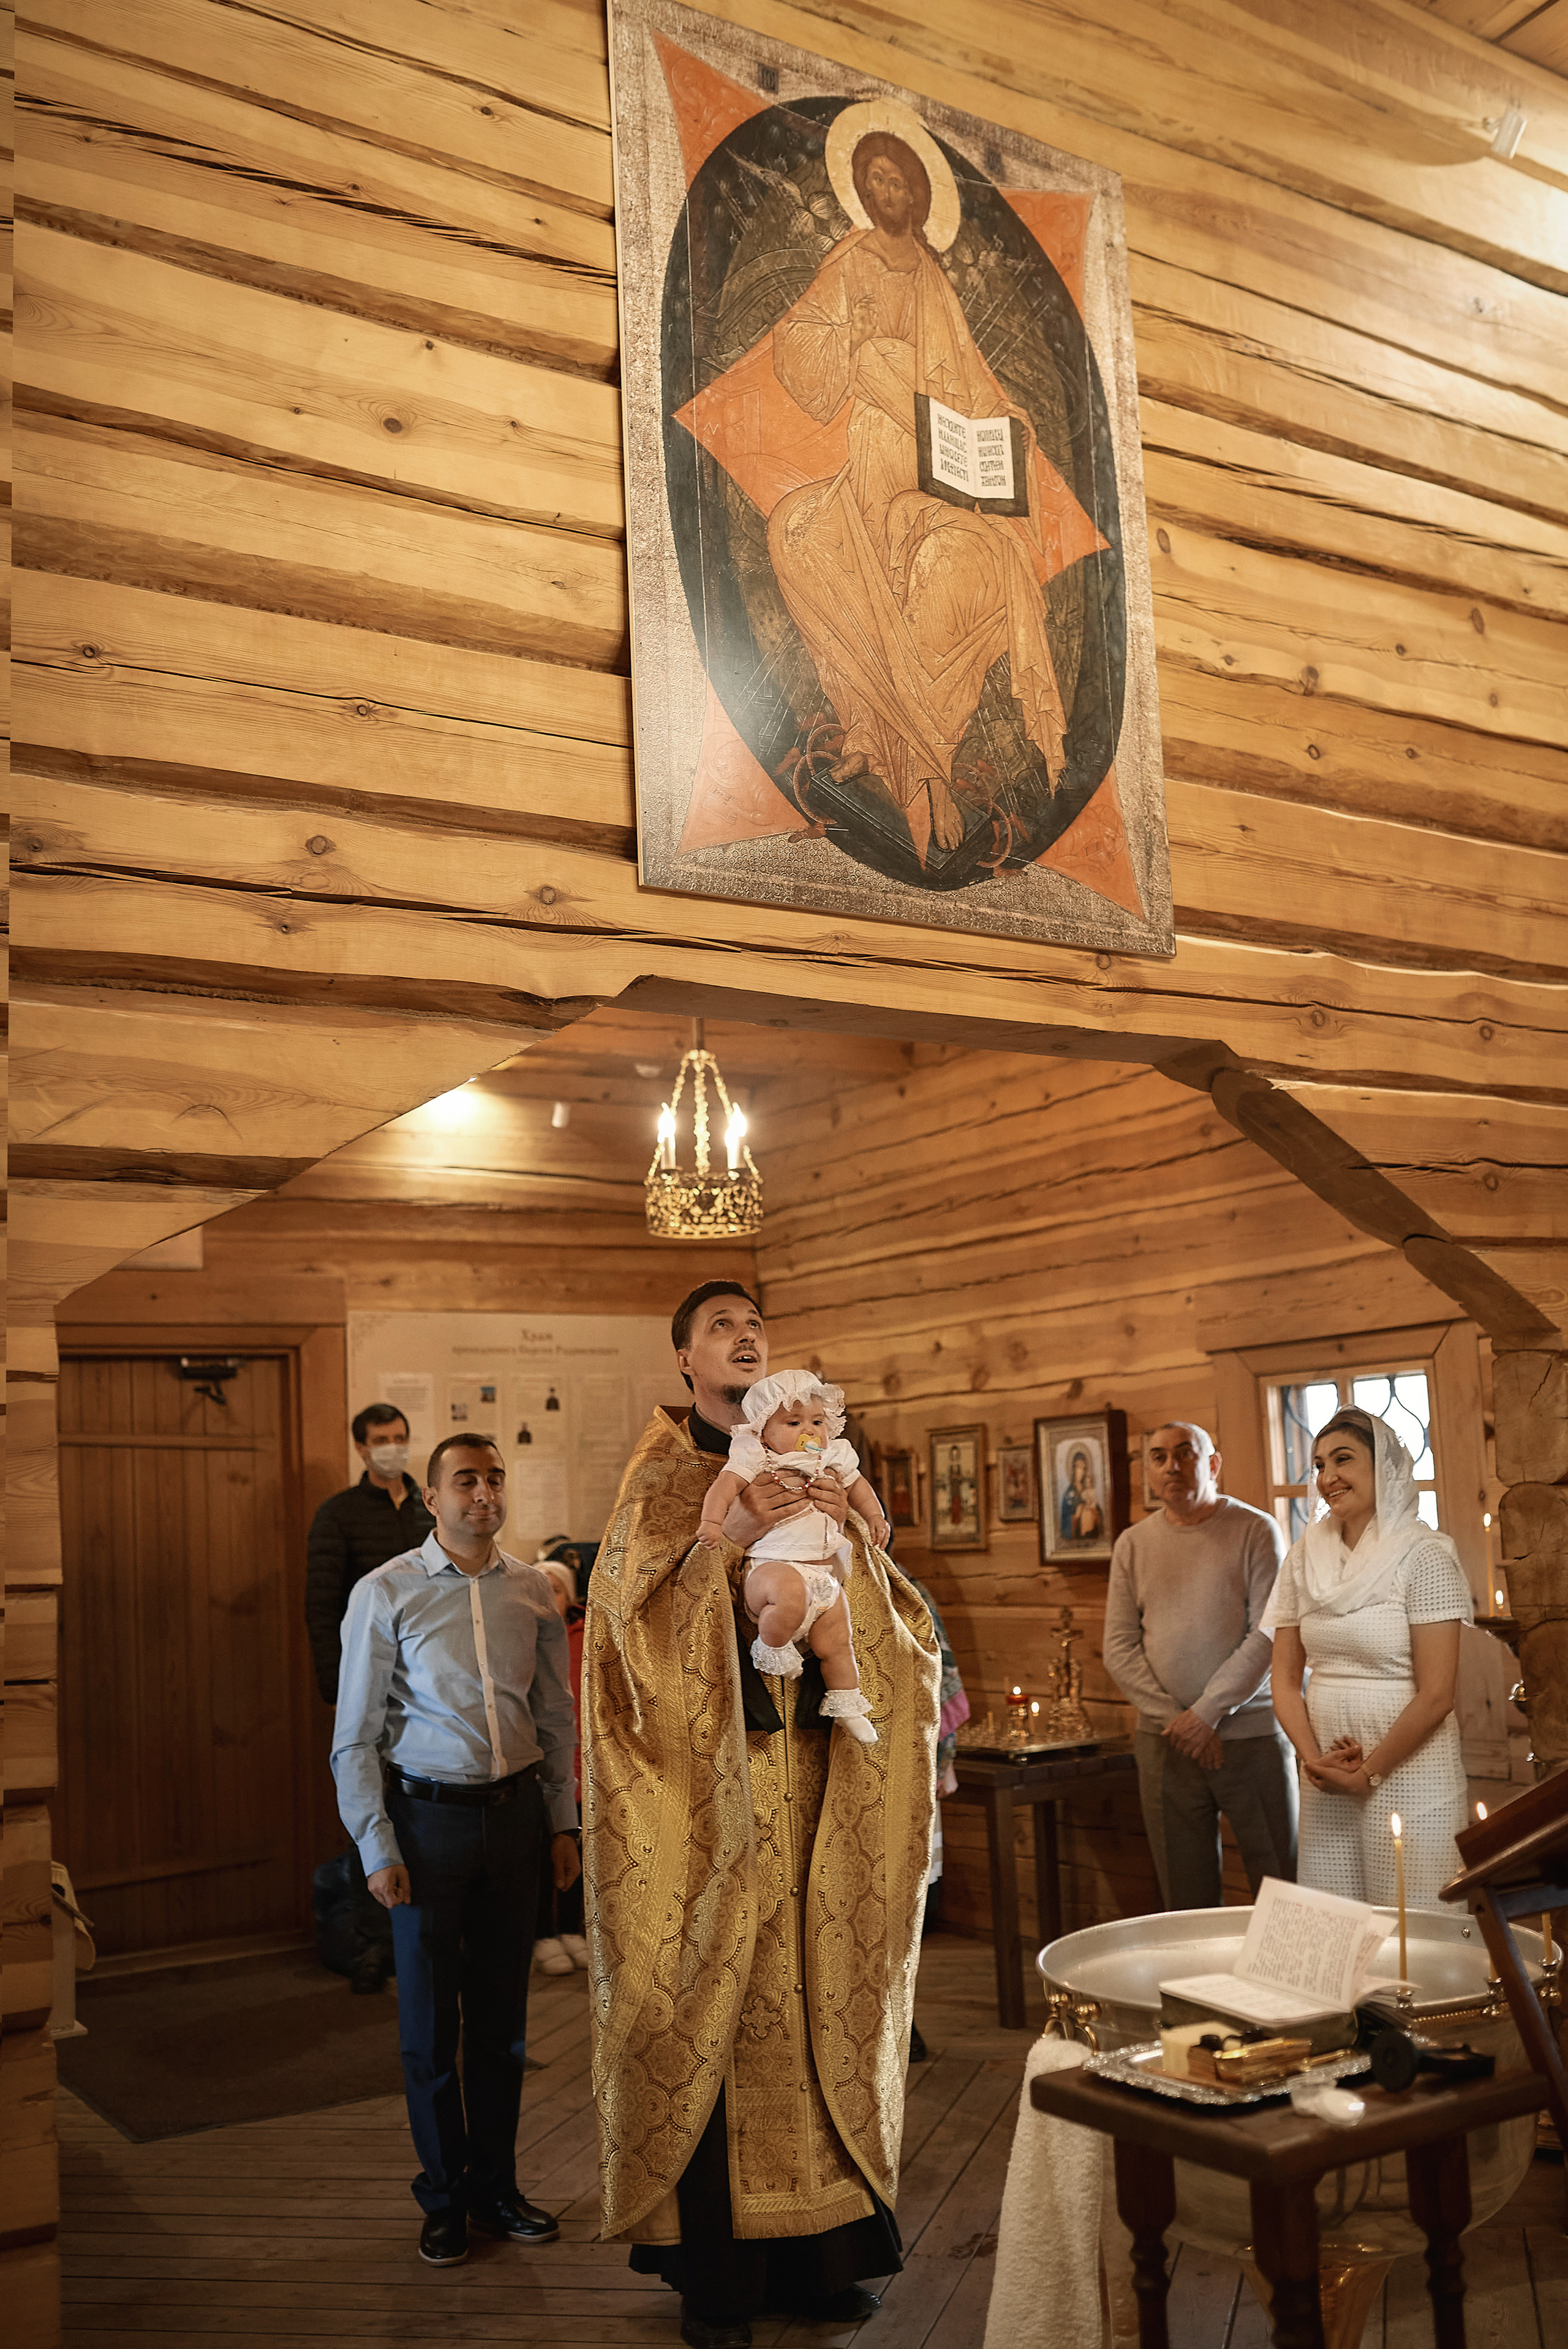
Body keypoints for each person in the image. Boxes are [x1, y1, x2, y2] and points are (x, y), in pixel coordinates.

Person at [582, 1281, 940, 2349]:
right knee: (723, 2014)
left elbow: (894, 1618)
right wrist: (717, 1546)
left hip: (818, 1791)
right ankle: (722, 2280)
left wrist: (852, 1546)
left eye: (757, 1326)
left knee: (824, 1999)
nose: (745, 1336)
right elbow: (622, 1640)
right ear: (685, 1359)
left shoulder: (819, 1459)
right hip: (711, 1802)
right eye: (721, 1326)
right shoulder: (660, 1479)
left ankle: (828, 2256)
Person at [769, 132, 1068, 866]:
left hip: (939, 462)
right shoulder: (851, 261)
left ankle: (926, 765)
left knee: (940, 572)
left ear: (921, 197)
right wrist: (851, 346)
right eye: (877, 183)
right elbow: (798, 340)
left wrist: (1010, 428)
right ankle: (875, 736)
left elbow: (970, 379)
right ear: (864, 196)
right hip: (878, 448)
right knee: (826, 550)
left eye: (901, 184)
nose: (891, 195)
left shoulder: (934, 279)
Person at [331, 1433, 580, 2269]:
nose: (483, 1494)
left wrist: (562, 1824)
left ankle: (495, 2188)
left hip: (513, 1822)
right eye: (464, 1480)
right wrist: (376, 1844)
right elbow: (354, 1735)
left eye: (494, 1478)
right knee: (430, 2028)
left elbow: (555, 1719)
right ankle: (441, 2197)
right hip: (426, 1827)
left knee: (504, 2027)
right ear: (431, 1497)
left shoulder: (531, 1594)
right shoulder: (384, 1592)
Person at [1265, 1407, 1472, 1910]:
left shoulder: (1425, 1556)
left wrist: (1370, 1773)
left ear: (1385, 1467)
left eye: (1343, 1460)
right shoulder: (1301, 1558)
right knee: (1335, 1928)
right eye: (1318, 1465)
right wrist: (1315, 1759)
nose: (1327, 1477)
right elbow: (1285, 1681)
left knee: (1415, 1927)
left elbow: (1438, 1694)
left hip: (1412, 1774)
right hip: (1328, 1777)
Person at [1103, 1421, 1295, 1910]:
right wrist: (1180, 1722)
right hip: (1166, 1745)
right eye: (1158, 1456)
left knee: (1281, 1886)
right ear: (1147, 1470)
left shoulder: (1255, 1530)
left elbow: (1270, 1633)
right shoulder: (1133, 1544)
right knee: (1184, 1897)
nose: (1172, 1466)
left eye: (1186, 1454)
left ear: (1212, 1464)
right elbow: (1119, 1646)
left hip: (1251, 1740)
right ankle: (1193, 1989)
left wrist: (1208, 1713)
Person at [696, 1367, 889, 1742]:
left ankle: (847, 1701)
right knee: (789, 1594)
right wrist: (713, 1523)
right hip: (772, 1567)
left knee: (839, 1640)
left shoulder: (832, 1456)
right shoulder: (757, 1457)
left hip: (824, 1578)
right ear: (763, 1431)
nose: (810, 1431)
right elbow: (723, 1487)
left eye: (818, 1421)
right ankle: (773, 1647)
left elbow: (860, 1487)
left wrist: (873, 1517)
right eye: (794, 1422)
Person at [305, 1403, 434, 1705]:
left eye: (400, 1438)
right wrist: (336, 1685)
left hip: (430, 1665)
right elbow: (322, 1606)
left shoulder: (433, 1508)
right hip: (367, 1663)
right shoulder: (336, 1514)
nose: (394, 1447)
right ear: (361, 1448)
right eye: (382, 1440)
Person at [532, 1543, 588, 1978]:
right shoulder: (519, 1633)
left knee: (575, 1847)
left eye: (556, 1589)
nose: (549, 1597)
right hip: (535, 1763)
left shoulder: (588, 1635)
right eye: (540, 1589)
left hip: (579, 1762)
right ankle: (542, 1933)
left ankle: (572, 1929)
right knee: (535, 1852)